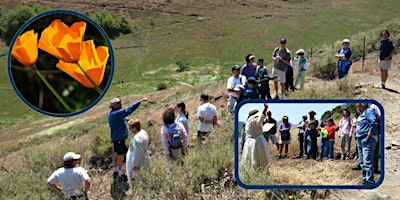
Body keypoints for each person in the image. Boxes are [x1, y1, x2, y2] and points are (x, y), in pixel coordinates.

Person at [108, 97, 148, 177]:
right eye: (119, 103)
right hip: (119, 138)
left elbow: (121, 117)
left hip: (115, 138)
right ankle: (120, 172)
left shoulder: (112, 113)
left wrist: (125, 119)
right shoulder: (117, 113)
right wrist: (140, 101)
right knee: (121, 155)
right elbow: (129, 109)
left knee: (116, 153)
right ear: (114, 105)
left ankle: (115, 169)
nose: (121, 104)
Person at [241, 104, 272, 169]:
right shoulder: (254, 121)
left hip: (249, 142)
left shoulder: (248, 122)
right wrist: (265, 108)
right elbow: (262, 117)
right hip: (257, 141)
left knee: (251, 157)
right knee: (260, 158)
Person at [355, 103, 378, 185]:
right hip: (359, 139)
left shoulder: (369, 111)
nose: (356, 106)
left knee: (367, 161)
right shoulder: (361, 113)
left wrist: (369, 134)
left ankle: (370, 180)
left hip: (367, 139)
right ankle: (365, 178)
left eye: (357, 105)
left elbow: (374, 123)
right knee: (362, 161)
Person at [126, 119, 151, 191]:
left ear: (134, 128)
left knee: (138, 177)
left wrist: (135, 165)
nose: (130, 130)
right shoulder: (143, 132)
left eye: (130, 128)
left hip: (140, 161)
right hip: (145, 157)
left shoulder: (137, 138)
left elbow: (138, 152)